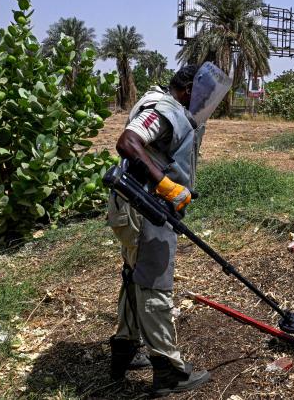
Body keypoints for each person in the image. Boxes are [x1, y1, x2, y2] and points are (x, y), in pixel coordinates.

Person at [106, 65, 210, 396]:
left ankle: (125, 349)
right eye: (204, 96)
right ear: (190, 90)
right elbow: (128, 141)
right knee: (153, 284)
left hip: (134, 207)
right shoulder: (165, 110)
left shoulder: (167, 107)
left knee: (134, 275)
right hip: (144, 209)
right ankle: (168, 370)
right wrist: (165, 184)